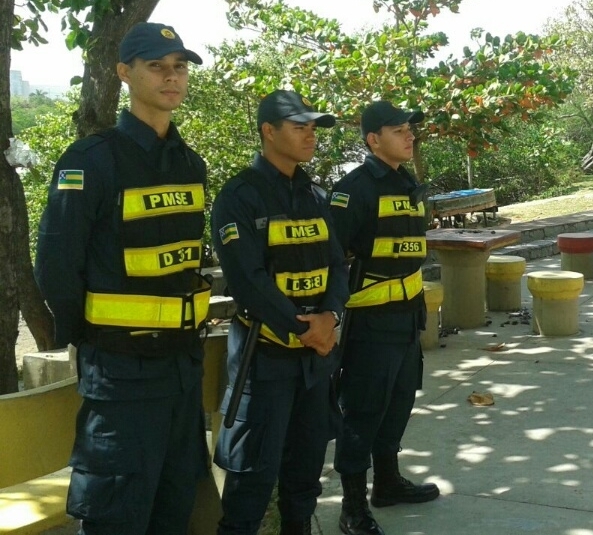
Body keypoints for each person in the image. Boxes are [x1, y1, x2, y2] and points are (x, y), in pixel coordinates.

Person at [34, 22, 211, 535]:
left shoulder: (189, 163)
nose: (171, 77)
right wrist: (89, 338)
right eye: (157, 66)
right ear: (124, 74)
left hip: (181, 370)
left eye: (179, 67)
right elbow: (56, 265)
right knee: (117, 517)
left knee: (172, 510)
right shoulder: (92, 159)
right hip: (120, 375)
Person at [211, 89, 350, 535]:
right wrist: (303, 328)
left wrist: (330, 318)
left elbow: (336, 263)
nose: (310, 136)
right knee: (252, 480)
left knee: (305, 476)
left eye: (313, 128)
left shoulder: (315, 195)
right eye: (299, 127)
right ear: (268, 132)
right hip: (264, 359)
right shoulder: (239, 196)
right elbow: (249, 280)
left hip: (314, 359)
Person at [329, 100, 440, 535]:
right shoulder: (354, 189)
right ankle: (352, 506)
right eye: (399, 130)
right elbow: (332, 257)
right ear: (374, 140)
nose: (410, 135)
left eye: (410, 128)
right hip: (370, 325)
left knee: (398, 404)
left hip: (407, 317)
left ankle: (388, 483)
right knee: (363, 412)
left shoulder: (407, 183)